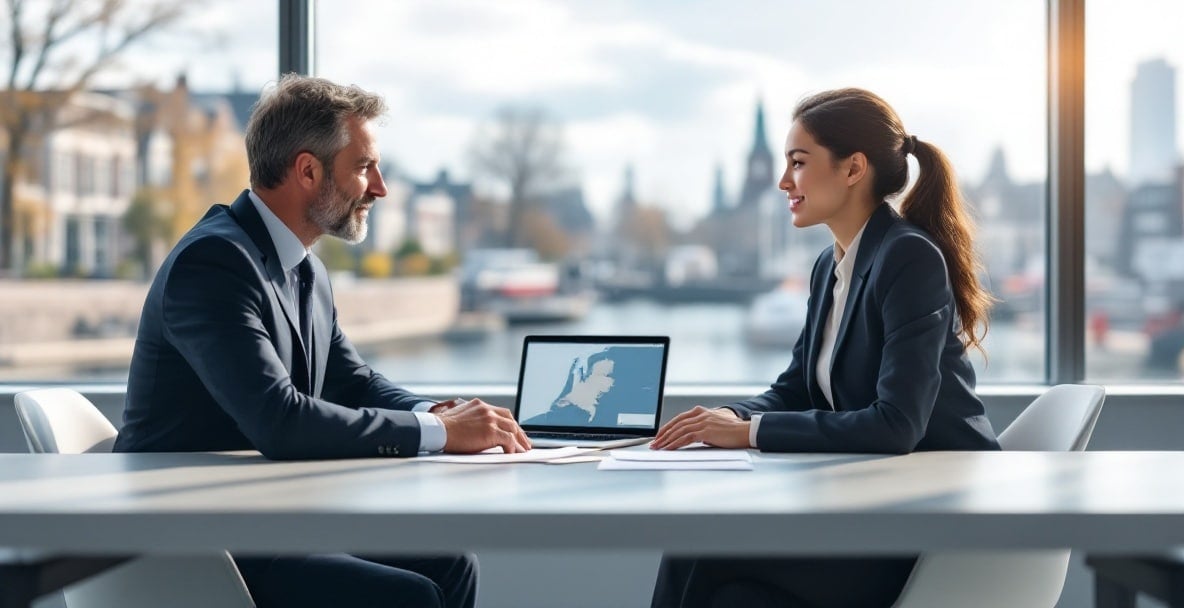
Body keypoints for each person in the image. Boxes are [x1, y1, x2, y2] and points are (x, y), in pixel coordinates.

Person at [114, 74, 531, 608]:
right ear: (307, 171)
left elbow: (352, 381)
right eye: (363, 167)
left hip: (261, 517)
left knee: (450, 563)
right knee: (408, 596)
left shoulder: (303, 268)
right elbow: (280, 421)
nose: (379, 187)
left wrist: (441, 412)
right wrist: (439, 432)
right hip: (194, 542)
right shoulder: (214, 264)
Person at [649, 88, 1001, 608]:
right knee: (695, 550)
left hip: (934, 521)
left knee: (713, 561)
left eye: (798, 162)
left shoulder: (908, 258)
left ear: (853, 168)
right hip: (874, 501)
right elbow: (795, 389)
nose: (783, 180)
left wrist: (748, 432)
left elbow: (896, 424)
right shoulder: (829, 266)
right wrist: (726, 416)